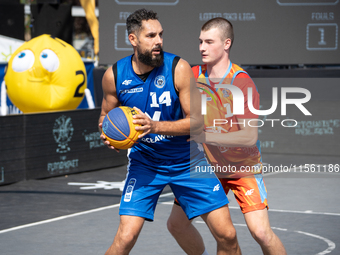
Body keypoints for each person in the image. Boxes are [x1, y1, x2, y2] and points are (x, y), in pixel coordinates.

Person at [99, 9, 242, 255]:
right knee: (125, 237)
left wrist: (155, 126)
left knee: (227, 235)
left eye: (161, 35)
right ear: (133, 40)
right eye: (151, 35)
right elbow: (104, 117)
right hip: (145, 163)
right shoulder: (114, 75)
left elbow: (197, 122)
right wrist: (108, 134)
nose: (159, 41)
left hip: (188, 161)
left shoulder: (178, 68)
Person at [167, 18, 287, 255]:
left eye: (209, 42)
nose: (202, 47)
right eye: (200, 41)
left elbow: (248, 137)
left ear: (226, 44)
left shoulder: (241, 82)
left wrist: (205, 136)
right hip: (206, 168)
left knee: (260, 232)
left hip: (242, 167)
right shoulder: (191, 74)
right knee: (177, 225)